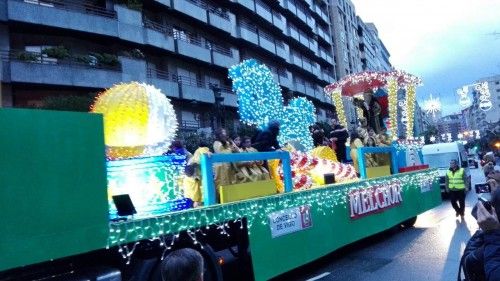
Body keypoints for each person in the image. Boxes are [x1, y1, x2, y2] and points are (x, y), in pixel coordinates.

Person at [213, 128, 238, 192]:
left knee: (231, 185)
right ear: (219, 135)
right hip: (221, 169)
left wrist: (232, 143)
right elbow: (224, 153)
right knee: (222, 185)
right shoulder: (217, 143)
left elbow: (236, 151)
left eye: (225, 132)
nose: (226, 134)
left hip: (229, 167)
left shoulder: (227, 143)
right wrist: (231, 149)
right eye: (223, 132)